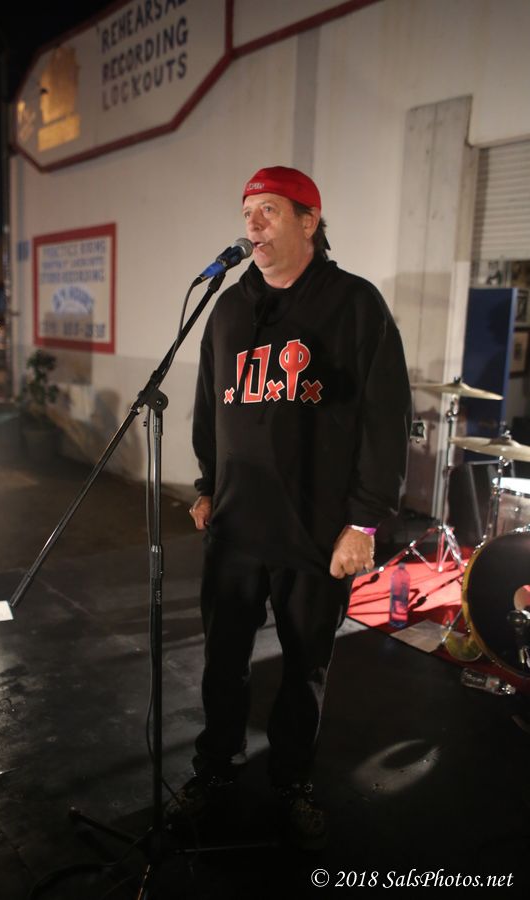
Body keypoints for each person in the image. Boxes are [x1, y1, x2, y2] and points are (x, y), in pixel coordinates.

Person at [167, 166, 412, 849]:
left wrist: (363, 521)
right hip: (236, 525)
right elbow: (209, 406)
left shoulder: (354, 304)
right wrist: (207, 485)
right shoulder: (228, 307)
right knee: (223, 661)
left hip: (316, 530)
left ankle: (291, 780)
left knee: (304, 668)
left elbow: (386, 419)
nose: (253, 222)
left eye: (270, 209)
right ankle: (216, 769)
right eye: (248, 210)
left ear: (309, 221)